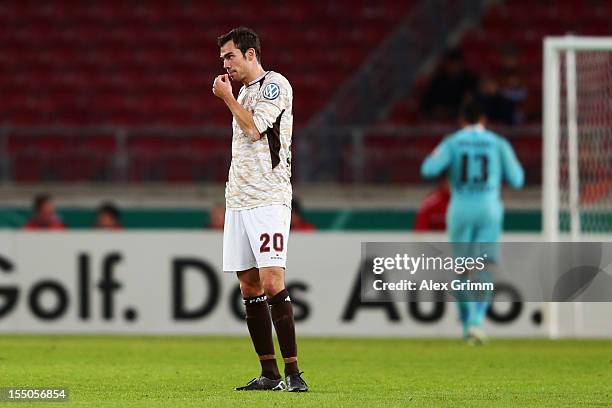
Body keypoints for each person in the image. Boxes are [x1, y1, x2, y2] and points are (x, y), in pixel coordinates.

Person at [212, 27, 307, 392]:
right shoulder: (246, 92)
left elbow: (254, 130)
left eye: (230, 56)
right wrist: (234, 97)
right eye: (222, 58)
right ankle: (269, 373)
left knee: (272, 280)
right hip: (238, 198)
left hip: (269, 197)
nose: (225, 64)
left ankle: (294, 373)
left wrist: (227, 99)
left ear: (251, 54)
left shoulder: (274, 85)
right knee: (248, 285)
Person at [420, 101, 524, 343]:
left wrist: (447, 161)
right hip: (489, 208)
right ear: (484, 120)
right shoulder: (498, 143)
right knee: (483, 268)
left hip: (460, 209)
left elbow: (428, 169)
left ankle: (467, 323)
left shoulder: (453, 141)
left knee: (463, 270)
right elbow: (518, 179)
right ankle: (476, 320)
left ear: (461, 120)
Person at [420, 48, 479, 121]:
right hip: (438, 120)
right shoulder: (438, 80)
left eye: (456, 63)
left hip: (460, 119)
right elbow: (427, 104)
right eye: (451, 64)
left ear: (461, 64)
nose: (454, 66)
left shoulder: (470, 80)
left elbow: (472, 104)